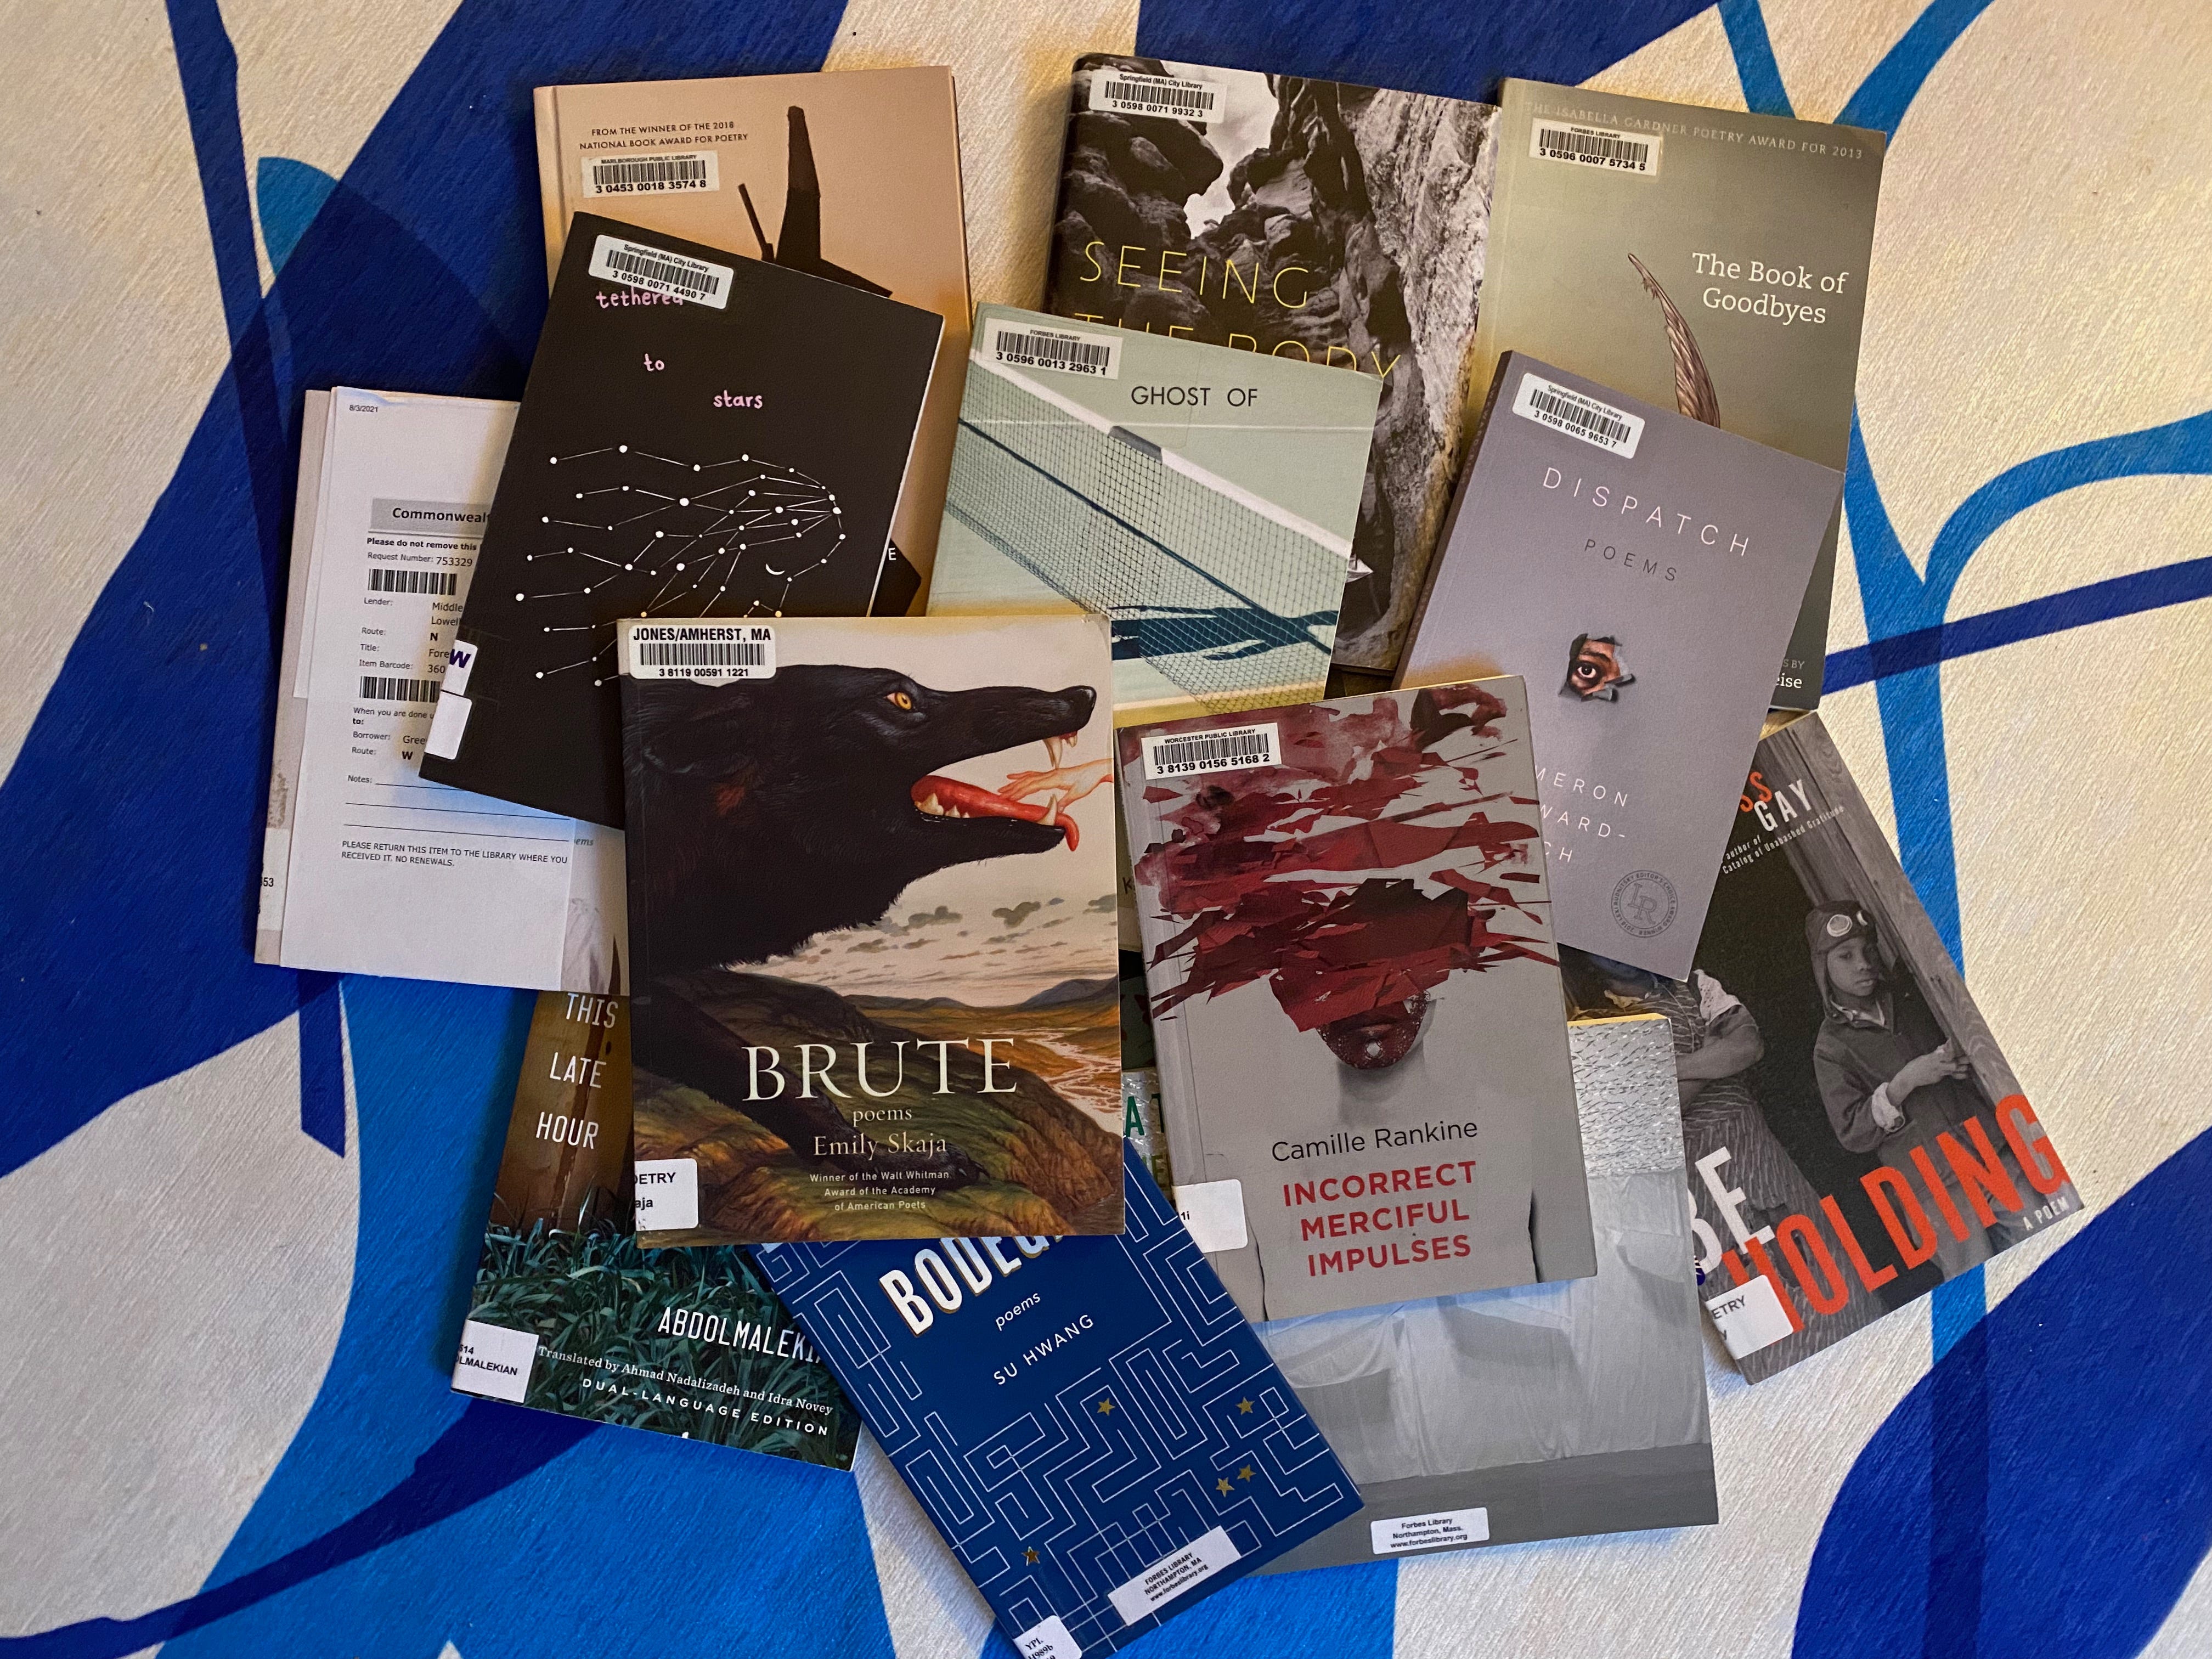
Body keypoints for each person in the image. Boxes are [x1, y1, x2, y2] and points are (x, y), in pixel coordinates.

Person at [1561, 951, 1878, 1361]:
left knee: (1814, 1257)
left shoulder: (1696, 984)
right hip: (1690, 1175)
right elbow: (1647, 1123)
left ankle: (1866, 1347)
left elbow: (1747, 1047)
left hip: (1750, 1142)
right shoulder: (1591, 1024)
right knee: (1742, 1283)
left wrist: (1661, 1068)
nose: (1614, 954)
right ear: (1586, 960)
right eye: (1597, 948)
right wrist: (1711, 1058)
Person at [1805, 902, 2018, 1280]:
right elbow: (1852, 1132)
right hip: (1931, 1190)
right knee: (1981, 1286)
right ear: (1823, 967)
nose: (1863, 963)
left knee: (2050, 1229)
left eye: (1868, 949)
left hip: (1989, 1152)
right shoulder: (1831, 1047)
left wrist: (1957, 1059)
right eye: (1846, 955)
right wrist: (1907, 1081)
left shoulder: (1910, 993)